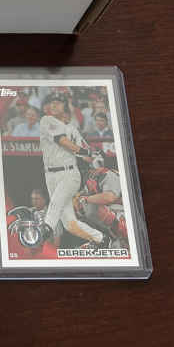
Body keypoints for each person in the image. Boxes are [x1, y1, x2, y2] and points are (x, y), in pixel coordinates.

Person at [39, 94, 111, 248]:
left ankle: (43, 231)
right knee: (69, 224)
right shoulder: (47, 120)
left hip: (69, 174)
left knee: (55, 203)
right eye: (52, 103)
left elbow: (86, 155)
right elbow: (62, 141)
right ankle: (101, 239)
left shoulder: (72, 130)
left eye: (58, 103)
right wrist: (87, 152)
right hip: (50, 175)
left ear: (66, 108)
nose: (54, 105)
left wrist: (96, 157)